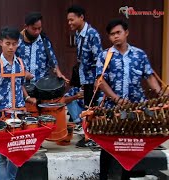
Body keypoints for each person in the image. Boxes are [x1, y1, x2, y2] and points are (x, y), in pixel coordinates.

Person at [96, 19, 161, 180]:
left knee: (130, 145)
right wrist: (116, 99)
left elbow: (149, 76)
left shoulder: (139, 54)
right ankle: (103, 177)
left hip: (135, 107)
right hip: (112, 108)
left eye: (118, 33)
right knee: (108, 145)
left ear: (126, 33)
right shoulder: (105, 55)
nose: (115, 37)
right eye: (112, 34)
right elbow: (100, 81)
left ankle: (126, 177)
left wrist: (161, 93)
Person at [0, 26, 36, 180]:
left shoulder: (21, 64)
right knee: (0, 155)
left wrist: (27, 97)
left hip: (18, 115)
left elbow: (20, 84)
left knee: (16, 151)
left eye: (14, 43)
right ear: (0, 43)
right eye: (8, 43)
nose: (11, 47)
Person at [67, 5, 103, 147]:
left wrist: (97, 79)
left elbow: (99, 58)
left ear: (81, 17)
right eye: (68, 20)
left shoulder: (92, 34)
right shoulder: (78, 33)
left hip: (92, 79)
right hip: (85, 78)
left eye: (72, 20)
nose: (70, 23)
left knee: (91, 108)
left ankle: (92, 139)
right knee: (88, 108)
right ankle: (89, 136)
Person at [16, 12, 69, 83]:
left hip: (42, 85)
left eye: (39, 28)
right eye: (34, 29)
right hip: (22, 86)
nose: (37, 32)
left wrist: (58, 73)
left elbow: (52, 60)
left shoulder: (45, 41)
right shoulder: (16, 42)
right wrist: (23, 72)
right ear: (26, 27)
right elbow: (10, 62)